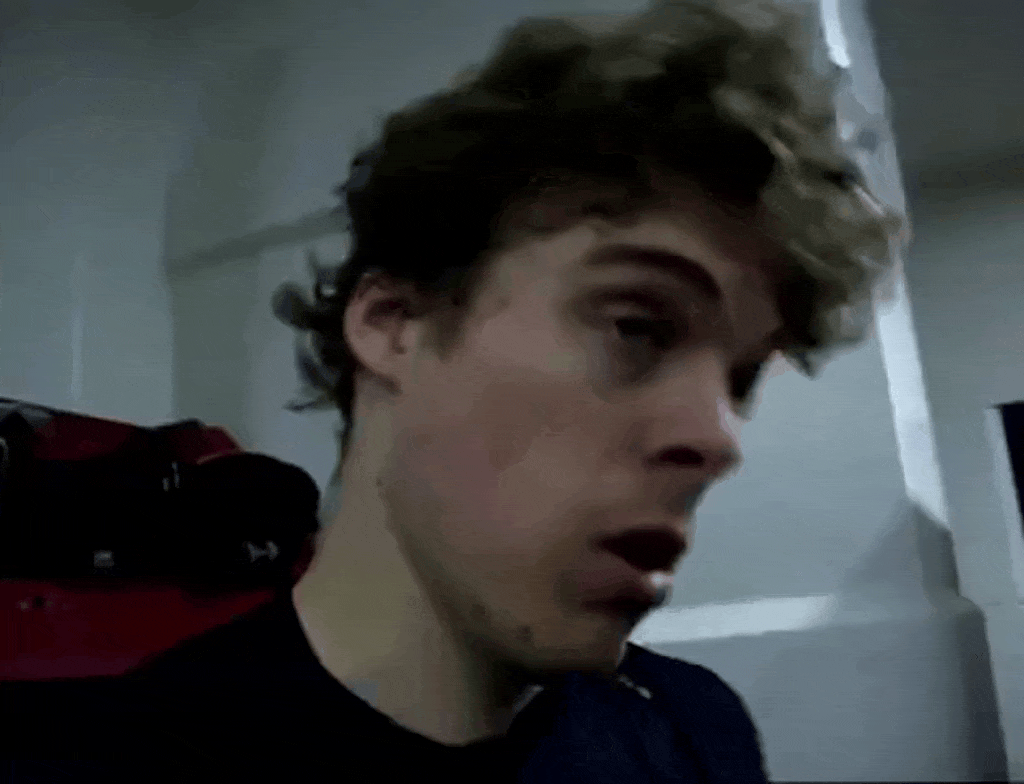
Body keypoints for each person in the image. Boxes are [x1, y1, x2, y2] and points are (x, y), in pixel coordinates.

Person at [2, 1, 906, 782]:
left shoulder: (694, 727)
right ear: (395, 323)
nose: (718, 440)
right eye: (637, 326)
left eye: (740, 377)